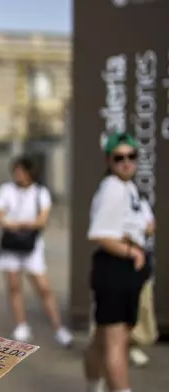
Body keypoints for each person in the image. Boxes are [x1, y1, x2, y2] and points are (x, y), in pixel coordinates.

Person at [83, 132, 150, 392]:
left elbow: (147, 224)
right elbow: (99, 234)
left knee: (103, 340)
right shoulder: (112, 188)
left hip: (124, 272)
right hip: (114, 270)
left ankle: (92, 386)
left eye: (131, 156)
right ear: (109, 160)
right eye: (119, 157)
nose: (126, 162)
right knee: (115, 344)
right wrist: (130, 250)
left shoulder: (129, 187)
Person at [0, 155, 73, 346]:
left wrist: (16, 224)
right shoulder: (6, 190)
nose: (18, 174)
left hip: (32, 247)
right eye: (16, 171)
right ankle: (21, 325)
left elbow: (42, 220)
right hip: (10, 246)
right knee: (14, 285)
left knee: (43, 288)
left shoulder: (40, 192)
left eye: (22, 171)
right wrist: (23, 224)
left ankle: (58, 327)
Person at [127, 194, 157, 367]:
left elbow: (150, 226)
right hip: (116, 262)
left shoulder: (140, 202)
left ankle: (133, 345)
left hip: (140, 259)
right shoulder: (109, 198)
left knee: (141, 306)